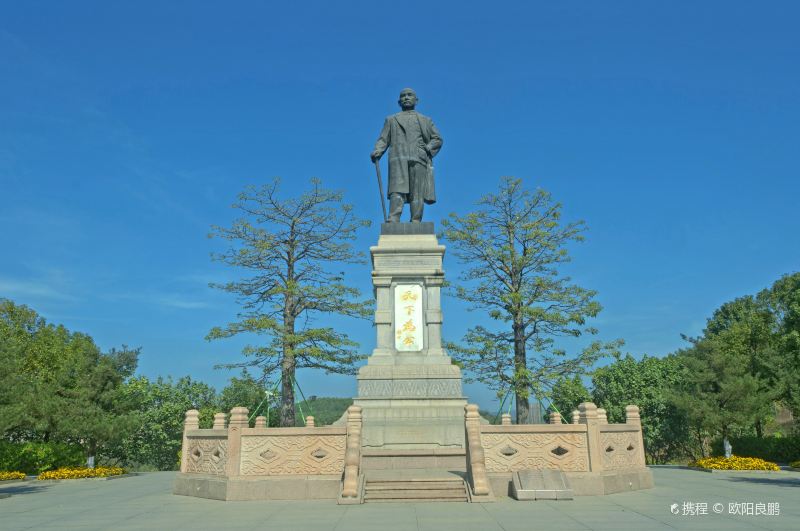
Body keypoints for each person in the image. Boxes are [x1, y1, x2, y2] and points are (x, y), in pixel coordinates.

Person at [371, 88, 443, 222]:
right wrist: (378, 150)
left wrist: (427, 148)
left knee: (417, 192)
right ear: (399, 102)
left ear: (416, 100)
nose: (406, 97)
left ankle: (416, 220)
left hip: (418, 158)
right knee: (397, 190)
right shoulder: (391, 120)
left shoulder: (425, 120)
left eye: (410, 95)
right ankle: (393, 219)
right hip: (398, 159)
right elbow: (383, 139)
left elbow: (437, 139)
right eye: (403, 96)